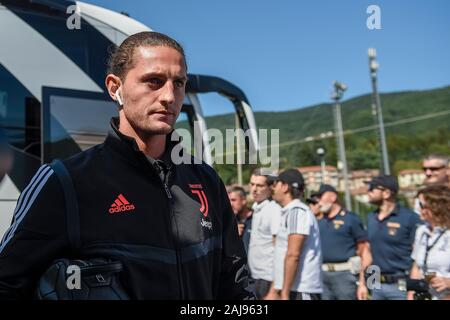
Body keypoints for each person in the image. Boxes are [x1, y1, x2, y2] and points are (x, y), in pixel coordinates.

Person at [0, 31, 253, 300]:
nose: (169, 96)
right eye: (153, 81)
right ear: (114, 87)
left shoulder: (206, 180)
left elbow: (235, 283)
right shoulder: (64, 181)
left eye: (178, 83)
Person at [265, 169, 322, 300]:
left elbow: (293, 255)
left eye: (276, 184)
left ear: (285, 187)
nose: (273, 188)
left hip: (300, 289)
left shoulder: (297, 212)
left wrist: (285, 292)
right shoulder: (290, 212)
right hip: (292, 289)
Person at [366, 175, 423, 300]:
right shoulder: (371, 217)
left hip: (401, 284)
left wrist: (413, 289)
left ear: (386, 193)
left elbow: (418, 255)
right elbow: (368, 251)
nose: (368, 192)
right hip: (375, 281)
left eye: (372, 188)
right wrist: (364, 284)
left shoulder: (409, 218)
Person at [316, 184, 372, 300]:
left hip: (345, 274)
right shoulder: (319, 221)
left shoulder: (350, 219)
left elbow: (364, 251)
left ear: (333, 197)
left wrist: (363, 282)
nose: (318, 201)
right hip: (322, 275)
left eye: (321, 197)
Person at [408, 185, 450, 300]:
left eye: (421, 205)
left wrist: (448, 282)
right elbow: (416, 266)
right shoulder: (421, 231)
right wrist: (411, 294)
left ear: (436, 207)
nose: (417, 209)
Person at [247, 168, 282, 299]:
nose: (254, 189)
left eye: (260, 185)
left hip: (268, 278)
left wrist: (275, 289)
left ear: (270, 187)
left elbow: (280, 249)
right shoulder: (257, 208)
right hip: (254, 277)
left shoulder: (274, 210)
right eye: (252, 184)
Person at [227, 185, 253, 252]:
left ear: (244, 200)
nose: (230, 204)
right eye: (229, 200)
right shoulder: (230, 221)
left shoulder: (255, 218)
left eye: (233, 200)